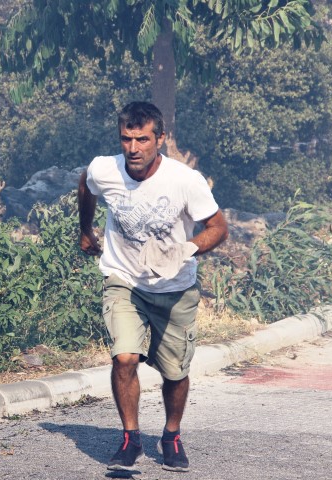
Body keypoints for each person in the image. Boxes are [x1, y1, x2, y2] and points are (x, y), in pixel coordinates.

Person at [78, 101, 228, 472]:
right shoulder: (105, 169)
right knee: (125, 357)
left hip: (175, 288)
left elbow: (218, 228)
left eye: (142, 139)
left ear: (159, 139)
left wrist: (187, 249)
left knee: (175, 373)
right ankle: (130, 438)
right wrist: (86, 229)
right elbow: (86, 184)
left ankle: (171, 435)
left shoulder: (184, 180)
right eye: (126, 139)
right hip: (124, 280)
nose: (133, 148)